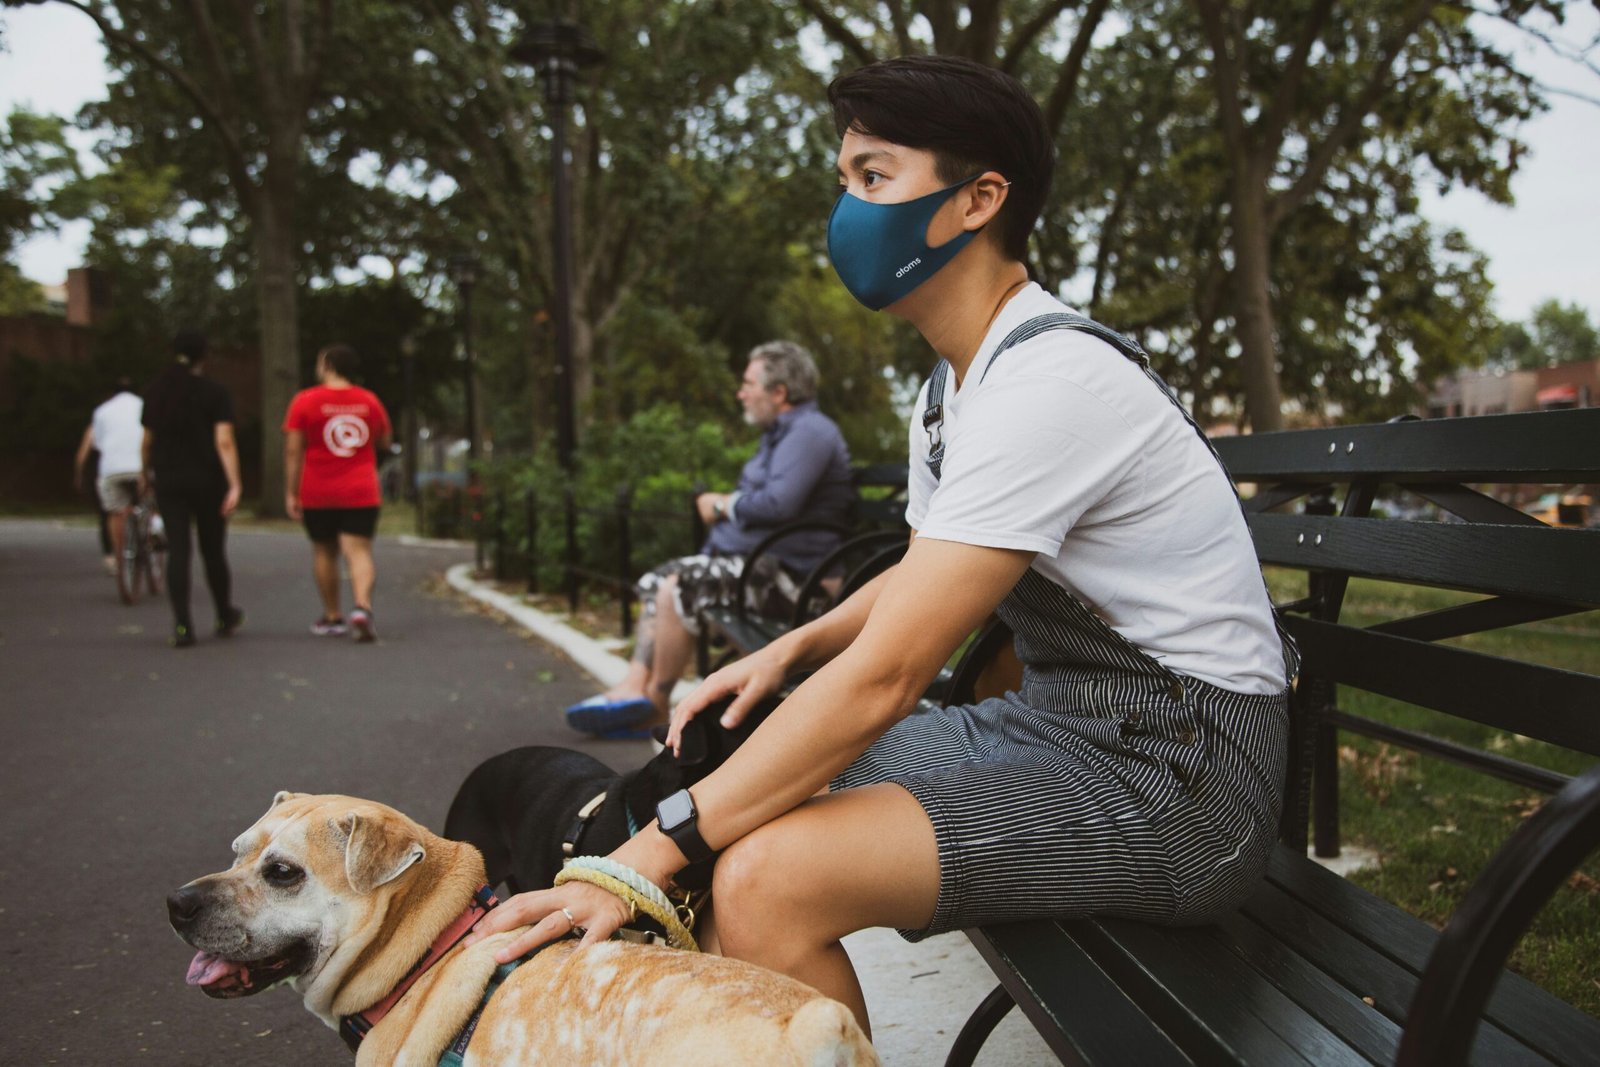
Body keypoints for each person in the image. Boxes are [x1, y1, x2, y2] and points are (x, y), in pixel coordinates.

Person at [465, 55, 1295, 1038]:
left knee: (765, 873)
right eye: (844, 178)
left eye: (873, 176)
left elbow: (890, 673)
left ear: (979, 198)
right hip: (1066, 724)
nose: (846, 208)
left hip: (1186, 777)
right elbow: (918, 573)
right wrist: (785, 648)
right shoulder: (953, 387)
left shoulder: (1051, 382)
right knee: (745, 785)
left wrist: (644, 852)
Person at [563, 340, 853, 738]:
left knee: (677, 587)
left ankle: (653, 701)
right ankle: (641, 691)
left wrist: (721, 505)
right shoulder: (780, 436)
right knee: (657, 582)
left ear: (780, 392)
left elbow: (778, 504)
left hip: (800, 584)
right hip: (764, 571)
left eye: (749, 383)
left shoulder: (810, 432)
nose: (741, 392)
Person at [283, 343, 393, 643]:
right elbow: (385, 440)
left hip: (318, 489)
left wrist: (291, 493)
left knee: (324, 551)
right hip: (360, 489)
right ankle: (362, 608)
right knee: (358, 551)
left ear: (328, 365)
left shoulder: (305, 401)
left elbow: (293, 451)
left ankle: (332, 616)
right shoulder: (369, 401)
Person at [141, 331, 244, 648]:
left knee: (178, 550)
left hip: (169, 479)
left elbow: (147, 440)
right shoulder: (214, 393)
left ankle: (183, 625)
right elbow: (223, 441)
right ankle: (223, 613)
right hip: (207, 479)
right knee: (213, 550)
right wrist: (235, 483)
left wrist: (145, 473)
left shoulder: (156, 392)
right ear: (205, 356)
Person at [74, 378, 143, 577]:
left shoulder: (102, 411)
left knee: (111, 512)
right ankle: (153, 529)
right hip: (139, 468)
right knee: (148, 498)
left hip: (111, 470)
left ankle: (117, 556)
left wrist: (78, 474)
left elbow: (86, 448)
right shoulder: (144, 406)